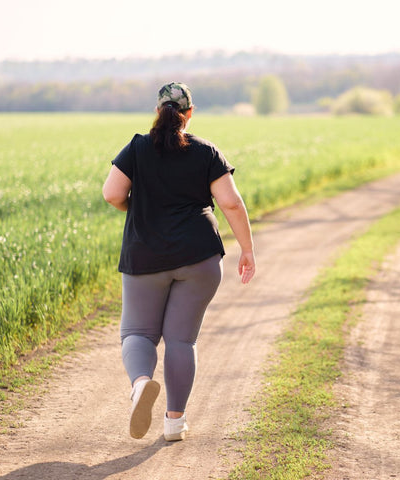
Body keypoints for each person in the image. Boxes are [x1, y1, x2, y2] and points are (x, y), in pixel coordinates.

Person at [102, 82, 255, 442]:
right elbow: (231, 203)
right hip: (199, 257)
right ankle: (174, 422)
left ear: (158, 112)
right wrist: (247, 249)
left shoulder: (137, 147)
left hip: (145, 255)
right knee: (181, 340)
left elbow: (112, 193)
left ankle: (141, 384)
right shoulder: (206, 152)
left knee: (138, 332)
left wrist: (135, 207)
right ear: (189, 113)